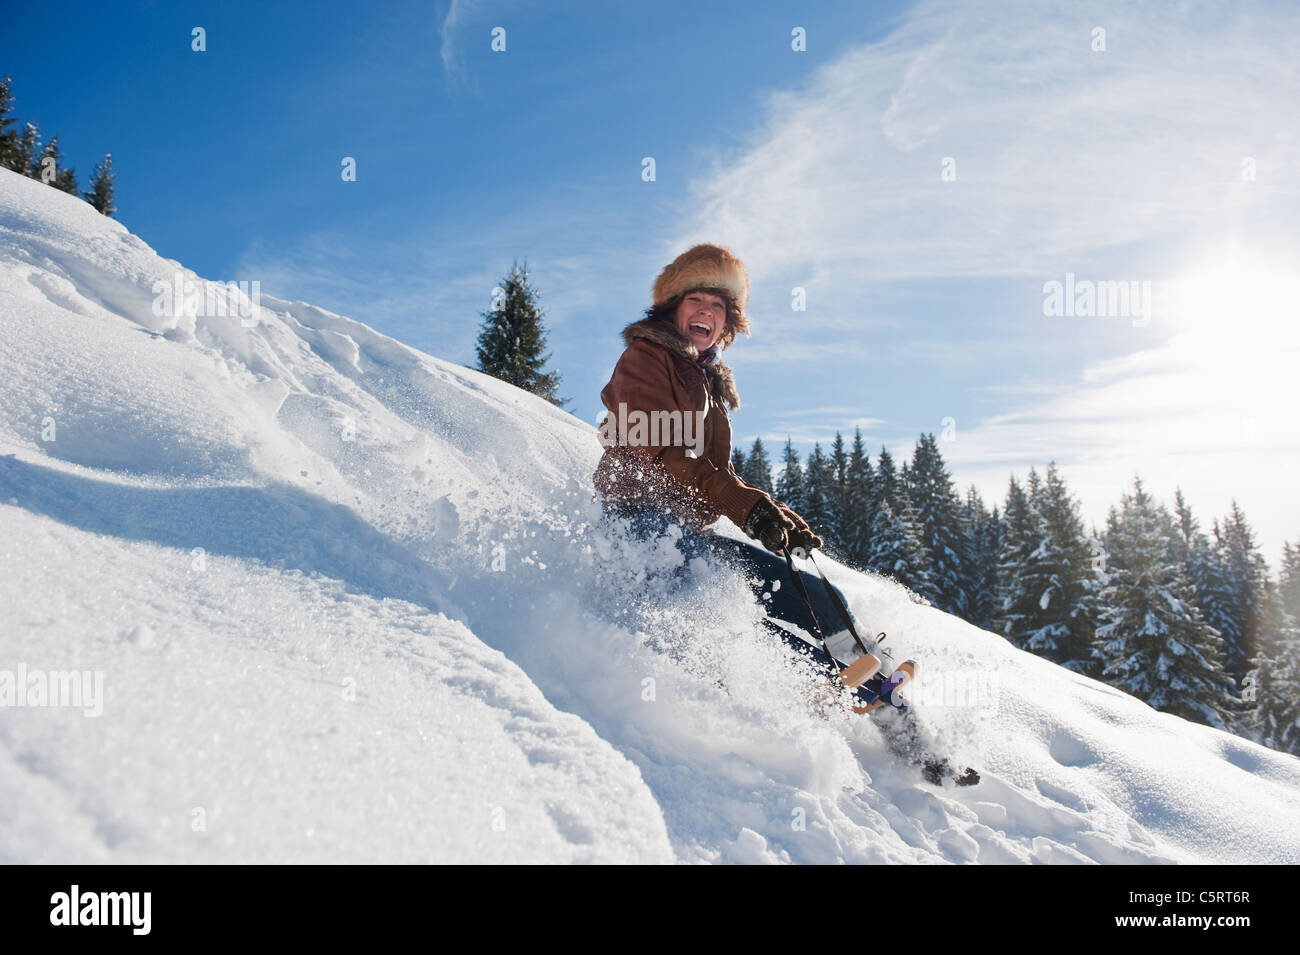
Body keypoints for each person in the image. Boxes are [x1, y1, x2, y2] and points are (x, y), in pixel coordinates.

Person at [593, 242, 855, 651]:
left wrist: (774, 517)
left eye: (717, 304)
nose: (705, 310)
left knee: (820, 600)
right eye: (694, 298)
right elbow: (661, 452)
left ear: (727, 322)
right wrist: (745, 507)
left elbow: (718, 474)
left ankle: (871, 679)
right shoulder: (645, 357)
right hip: (639, 525)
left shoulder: (708, 383)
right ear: (673, 310)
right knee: (725, 611)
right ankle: (813, 684)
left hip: (687, 532)